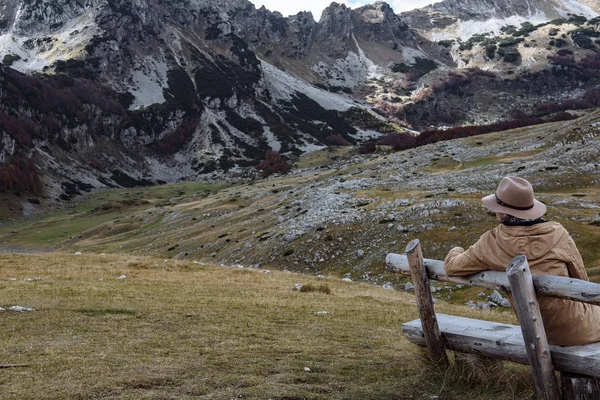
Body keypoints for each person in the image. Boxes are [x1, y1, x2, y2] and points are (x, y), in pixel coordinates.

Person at [444, 176, 600, 346]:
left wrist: (457, 250)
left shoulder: (490, 243)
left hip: (538, 333)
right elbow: (580, 278)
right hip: (582, 328)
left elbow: (452, 267)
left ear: (503, 212)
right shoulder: (558, 234)